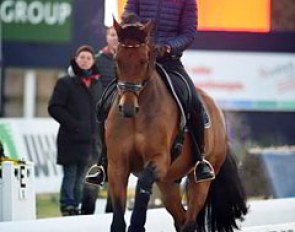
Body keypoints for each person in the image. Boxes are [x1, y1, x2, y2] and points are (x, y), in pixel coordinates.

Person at [86, 0, 215, 186]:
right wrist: (138, 34)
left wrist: (168, 46)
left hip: (168, 60)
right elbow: (127, 17)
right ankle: (103, 162)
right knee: (103, 104)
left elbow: (188, 33)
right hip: (138, 57)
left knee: (194, 102)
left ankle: (200, 159)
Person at [48, 45, 103, 216]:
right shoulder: (65, 82)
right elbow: (54, 107)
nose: (85, 61)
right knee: (70, 175)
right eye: (82, 57)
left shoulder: (96, 84)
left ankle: (76, 207)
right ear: (76, 59)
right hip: (71, 139)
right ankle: (67, 206)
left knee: (82, 178)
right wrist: (74, 125)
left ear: (93, 61)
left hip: (91, 142)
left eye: (88, 58)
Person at [81, 26, 118, 215]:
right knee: (94, 166)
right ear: (106, 37)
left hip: (122, 124)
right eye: (112, 35)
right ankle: (86, 215)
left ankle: (112, 214)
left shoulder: (129, 60)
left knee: (118, 170)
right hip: (100, 124)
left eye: (118, 35)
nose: (115, 38)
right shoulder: (96, 59)